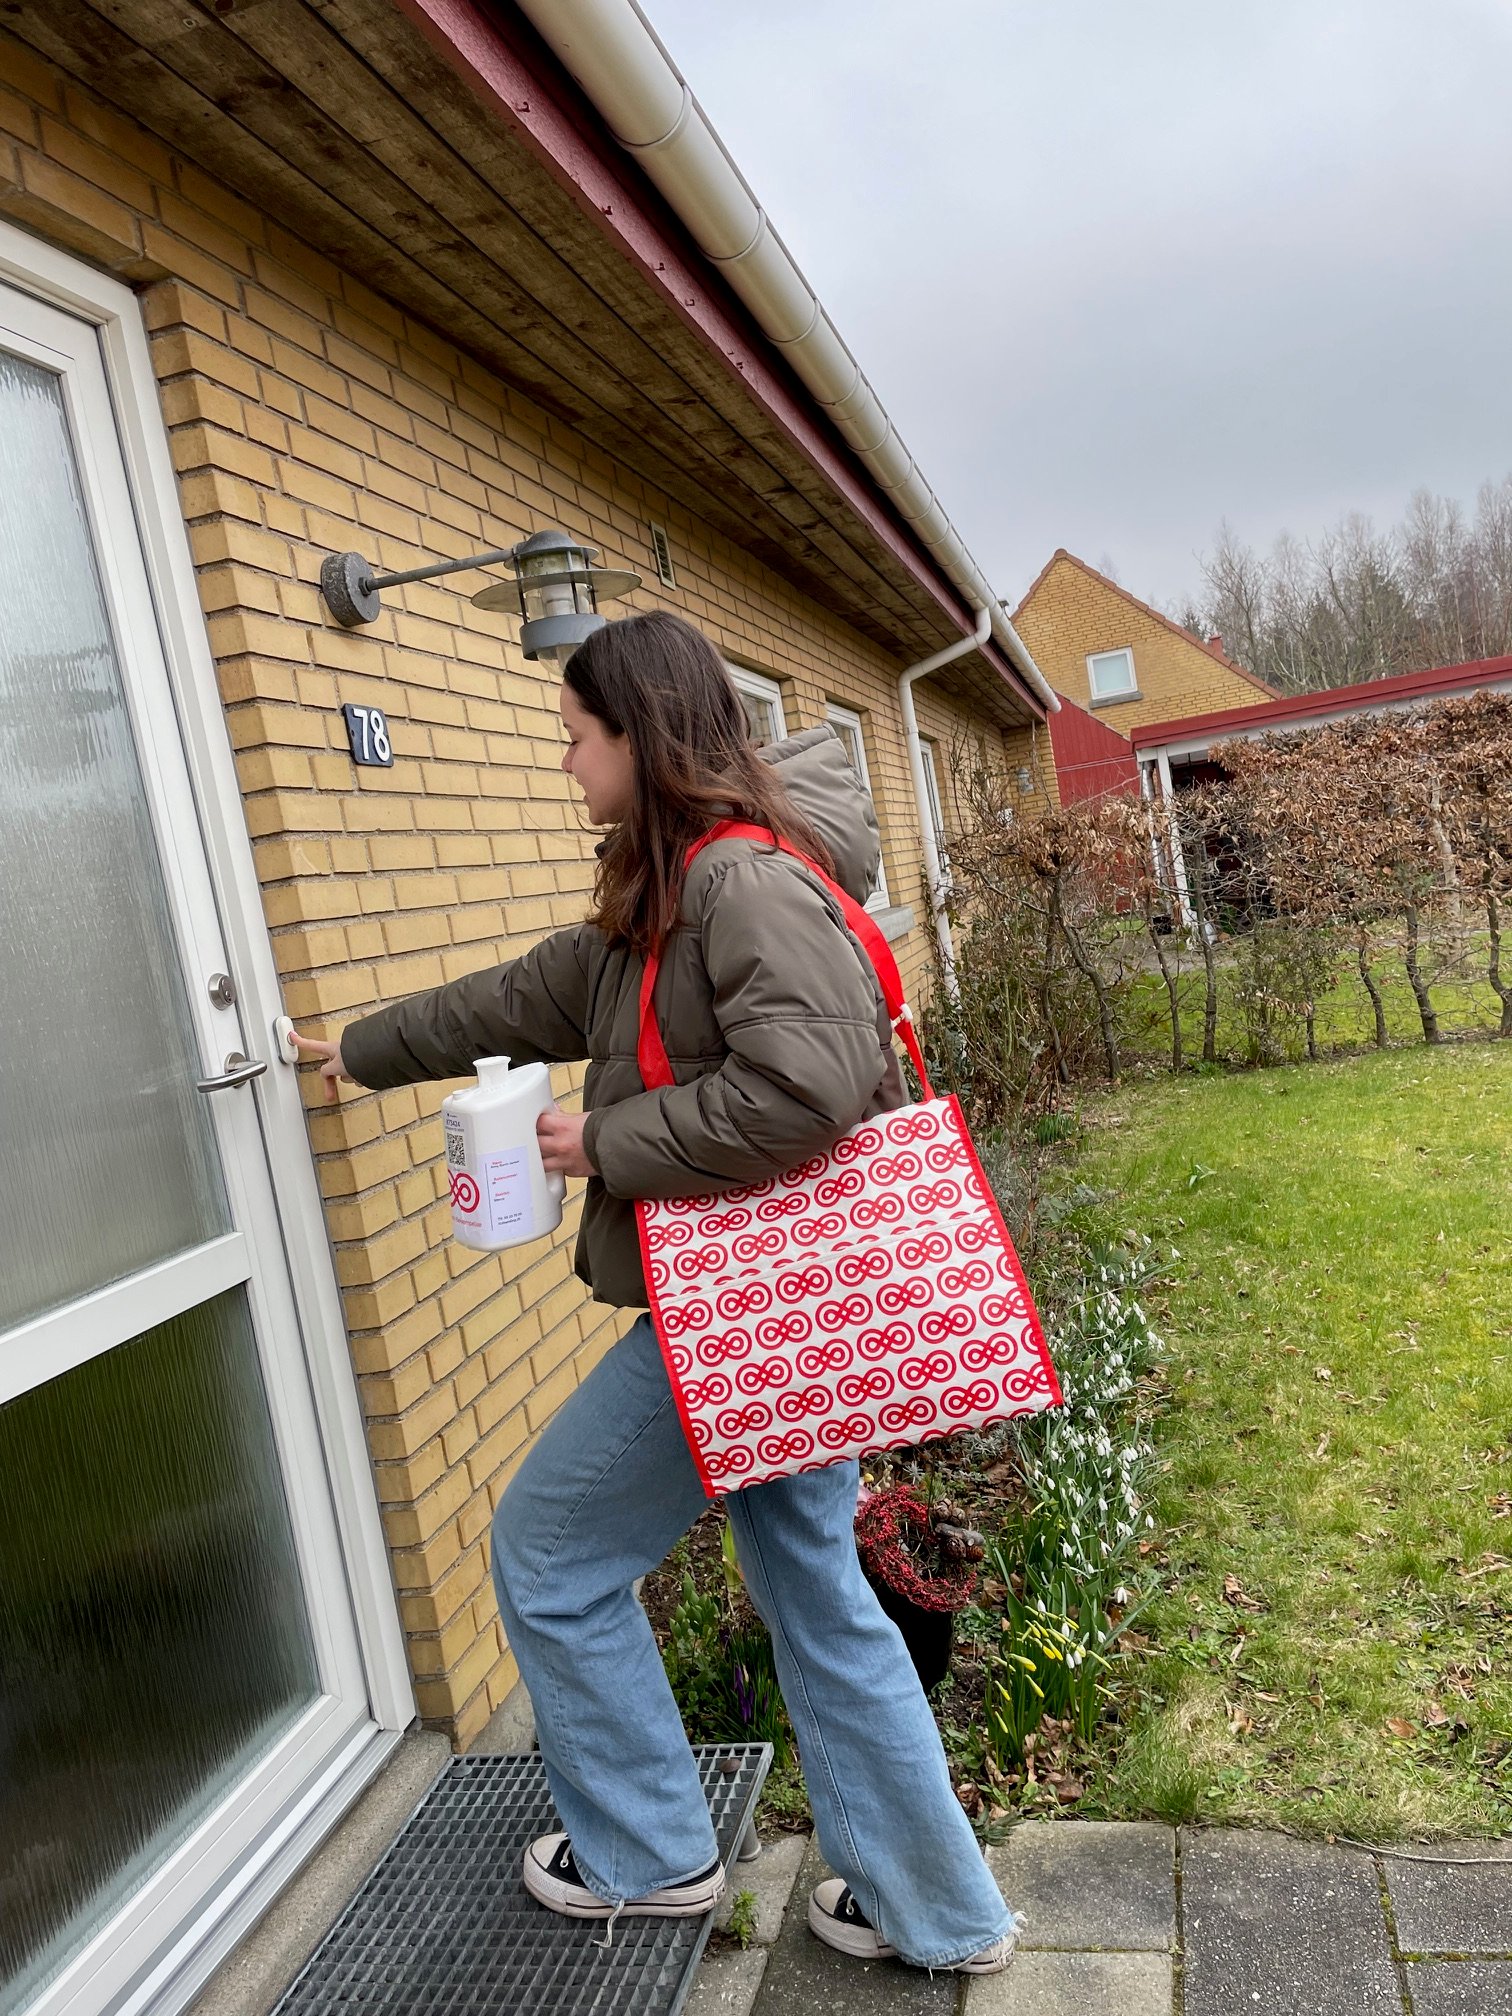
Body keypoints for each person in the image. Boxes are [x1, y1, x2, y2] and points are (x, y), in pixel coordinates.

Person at [290, 610, 1021, 1973]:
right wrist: (360, 1050)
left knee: (548, 1557)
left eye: (577, 737)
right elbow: (523, 994)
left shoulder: (739, 885)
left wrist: (605, 1144)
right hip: (788, 1319)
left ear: (644, 735)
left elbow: (803, 1089)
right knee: (816, 1597)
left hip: (744, 1319)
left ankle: (648, 1853)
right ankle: (937, 1909)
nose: (565, 764)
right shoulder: (667, 896)